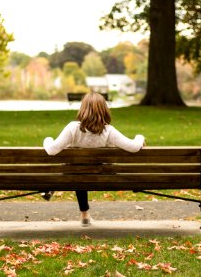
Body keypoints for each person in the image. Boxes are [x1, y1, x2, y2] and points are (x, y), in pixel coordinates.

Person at [42, 92, 145, 227]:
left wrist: (47, 139)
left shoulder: (73, 128)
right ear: (104, 110)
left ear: (83, 108)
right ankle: (84, 214)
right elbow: (133, 147)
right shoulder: (108, 131)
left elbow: (51, 150)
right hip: (102, 175)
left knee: (77, 168)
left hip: (75, 175)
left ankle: (79, 210)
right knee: (81, 168)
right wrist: (140, 137)